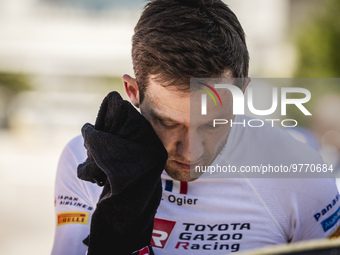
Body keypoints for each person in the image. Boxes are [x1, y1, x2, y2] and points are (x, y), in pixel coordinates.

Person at [51, 0, 340, 254]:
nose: (191, 152)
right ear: (133, 92)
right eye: (169, 123)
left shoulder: (299, 172)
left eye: (213, 123)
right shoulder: (86, 161)